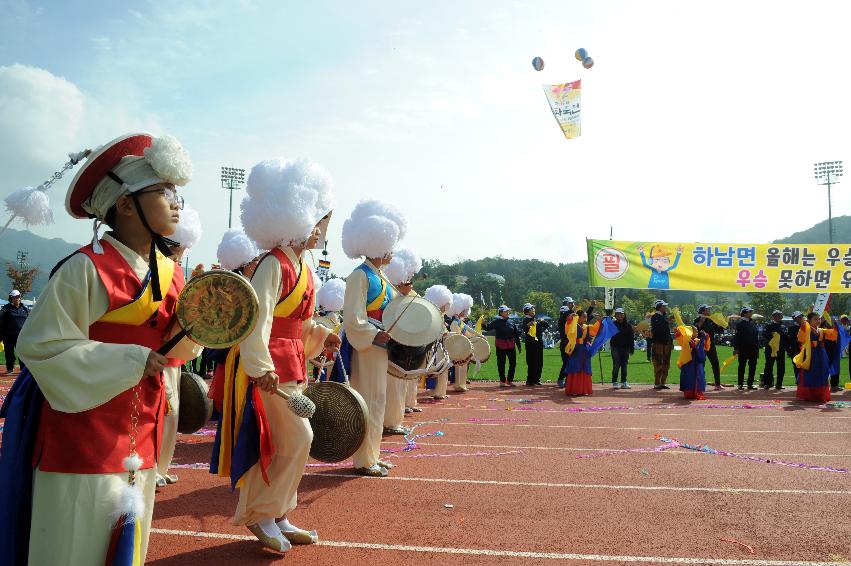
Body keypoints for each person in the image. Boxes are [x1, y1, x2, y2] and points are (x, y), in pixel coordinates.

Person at [0, 133, 200, 565]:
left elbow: (175, 348)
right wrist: (131, 358)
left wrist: (207, 321)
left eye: (176, 193)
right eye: (163, 193)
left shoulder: (171, 271)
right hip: (82, 430)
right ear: (125, 204)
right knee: (74, 541)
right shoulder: (84, 268)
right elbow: (42, 347)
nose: (176, 202)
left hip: (142, 423)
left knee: (132, 542)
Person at [215, 159, 340, 553]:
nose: (322, 230)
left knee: (294, 442)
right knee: (289, 438)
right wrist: (259, 367)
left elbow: (298, 324)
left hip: (293, 362)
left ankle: (280, 512)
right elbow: (258, 319)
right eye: (320, 221)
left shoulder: (302, 267)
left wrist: (322, 334)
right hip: (271, 367)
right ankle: (260, 514)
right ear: (300, 217)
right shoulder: (273, 263)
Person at [342, 199, 408, 477]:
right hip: (368, 346)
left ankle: (373, 455)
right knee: (368, 399)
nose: (392, 250)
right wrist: (374, 335)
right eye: (389, 244)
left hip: (381, 345)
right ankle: (363, 459)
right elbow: (353, 318)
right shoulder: (359, 276)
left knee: (378, 399)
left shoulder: (380, 276)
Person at [156, 205, 202, 489]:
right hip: (161, 352)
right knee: (163, 413)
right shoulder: (166, 269)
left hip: (175, 355)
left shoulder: (175, 271)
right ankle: (154, 467)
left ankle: (162, 466)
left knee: (171, 415)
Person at [383, 246, 421, 432]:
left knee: (399, 384)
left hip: (403, 343)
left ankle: (394, 420)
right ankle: (390, 422)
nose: (410, 281)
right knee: (393, 384)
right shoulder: (390, 292)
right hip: (392, 344)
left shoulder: (405, 294)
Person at [564, 310, 616, 396]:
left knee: (585, 368)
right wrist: (570, 316)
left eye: (586, 317)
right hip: (576, 349)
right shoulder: (572, 325)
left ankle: (584, 389)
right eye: (583, 317)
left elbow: (596, 330)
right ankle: (574, 389)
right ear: (578, 317)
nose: (585, 318)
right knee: (575, 367)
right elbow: (568, 323)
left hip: (585, 350)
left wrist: (600, 320)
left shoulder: (587, 327)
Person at [794, 312, 837, 402]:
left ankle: (820, 395)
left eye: (819, 319)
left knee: (822, 373)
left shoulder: (821, 330)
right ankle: (810, 395)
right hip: (810, 354)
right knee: (810, 373)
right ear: (809, 320)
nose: (818, 321)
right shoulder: (806, 328)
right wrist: (804, 324)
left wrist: (835, 325)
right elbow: (800, 338)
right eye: (815, 319)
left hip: (821, 354)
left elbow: (833, 334)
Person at [424, 284, 454, 398]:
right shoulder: (432, 315)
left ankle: (441, 391)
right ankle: (436, 392)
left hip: (440, 345)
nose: (445, 307)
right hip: (433, 346)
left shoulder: (441, 316)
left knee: (442, 369)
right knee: (435, 370)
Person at [448, 293, 479, 392]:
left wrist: (479, 335)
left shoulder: (460, 322)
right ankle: (458, 384)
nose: (465, 312)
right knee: (459, 367)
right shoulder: (454, 322)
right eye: (464, 310)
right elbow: (456, 336)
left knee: (463, 367)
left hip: (464, 346)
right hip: (458, 347)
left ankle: (462, 384)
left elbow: (469, 329)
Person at [485, 305, 521, 387]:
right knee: (501, 363)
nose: (508, 312)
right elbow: (487, 328)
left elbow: (516, 334)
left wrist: (518, 346)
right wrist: (483, 323)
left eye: (508, 311)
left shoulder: (511, 322)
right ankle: (502, 381)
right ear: (501, 313)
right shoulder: (496, 321)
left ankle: (509, 380)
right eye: (506, 311)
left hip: (511, 345)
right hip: (500, 345)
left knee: (513, 363)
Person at [694, 304, 723, 391]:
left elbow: (719, 331)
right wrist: (700, 323)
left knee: (715, 363)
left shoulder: (711, 320)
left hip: (711, 345)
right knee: (701, 365)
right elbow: (695, 332)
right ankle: (699, 384)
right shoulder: (697, 320)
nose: (709, 311)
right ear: (703, 311)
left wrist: (720, 323)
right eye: (707, 309)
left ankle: (717, 384)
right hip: (701, 346)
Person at [676, 325, 709, 400]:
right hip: (689, 363)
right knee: (689, 376)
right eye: (695, 331)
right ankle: (689, 392)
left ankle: (697, 391)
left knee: (698, 376)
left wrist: (705, 338)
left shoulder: (698, 340)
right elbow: (680, 341)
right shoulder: (686, 340)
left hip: (696, 363)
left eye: (697, 331)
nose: (697, 333)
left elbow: (705, 348)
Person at [0, 290, 29, 374]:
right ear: (11, 299)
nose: (17, 299)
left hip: (21, 337)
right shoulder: (6, 309)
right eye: (15, 297)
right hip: (8, 336)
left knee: (22, 354)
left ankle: (23, 370)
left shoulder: (25, 309)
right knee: (9, 353)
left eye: (18, 297)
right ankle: (10, 369)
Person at [762, 309, 788, 390]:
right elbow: (764, 334)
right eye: (775, 315)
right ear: (772, 316)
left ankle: (779, 384)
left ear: (781, 317)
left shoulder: (784, 326)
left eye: (779, 315)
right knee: (768, 366)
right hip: (770, 349)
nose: (777, 317)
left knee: (781, 367)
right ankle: (767, 383)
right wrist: (773, 334)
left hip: (780, 349)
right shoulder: (768, 325)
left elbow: (785, 337)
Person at [522, 303, 548, 386]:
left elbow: (547, 325)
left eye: (533, 309)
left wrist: (543, 321)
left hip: (539, 342)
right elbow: (524, 329)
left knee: (539, 361)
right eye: (531, 309)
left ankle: (537, 379)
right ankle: (530, 380)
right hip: (530, 343)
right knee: (531, 361)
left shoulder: (537, 319)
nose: (533, 310)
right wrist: (528, 325)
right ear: (526, 311)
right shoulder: (525, 320)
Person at [733, 306, 758, 390]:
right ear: (744, 313)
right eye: (749, 311)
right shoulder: (740, 323)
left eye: (751, 311)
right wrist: (736, 348)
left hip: (753, 349)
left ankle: (750, 384)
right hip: (743, 349)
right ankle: (740, 384)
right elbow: (736, 337)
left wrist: (757, 349)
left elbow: (755, 336)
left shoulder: (752, 323)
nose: (751, 313)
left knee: (753, 367)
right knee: (742, 366)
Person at [650, 299, 673, 390]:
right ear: (659, 307)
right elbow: (658, 328)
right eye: (664, 306)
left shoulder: (664, 316)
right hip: (658, 344)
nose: (666, 307)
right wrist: (667, 320)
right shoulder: (655, 317)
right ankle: (657, 383)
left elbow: (667, 331)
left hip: (667, 344)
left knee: (666, 364)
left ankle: (663, 382)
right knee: (658, 363)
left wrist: (671, 342)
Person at [609, 307, 635, 389]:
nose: (619, 315)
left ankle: (624, 382)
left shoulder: (628, 326)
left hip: (626, 348)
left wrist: (632, 349)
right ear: (615, 315)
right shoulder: (612, 324)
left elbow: (631, 338)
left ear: (624, 315)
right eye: (617, 314)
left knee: (624, 365)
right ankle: (614, 382)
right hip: (615, 347)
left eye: (621, 314)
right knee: (616, 365)